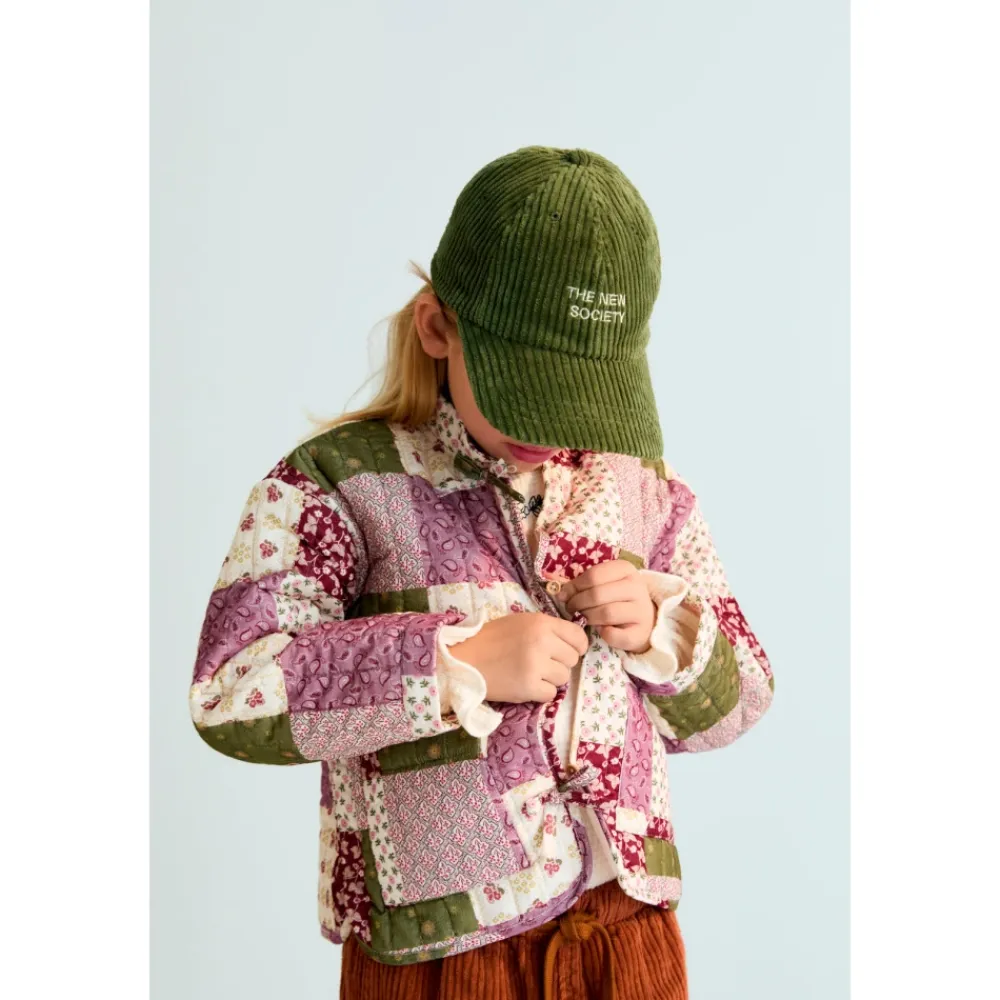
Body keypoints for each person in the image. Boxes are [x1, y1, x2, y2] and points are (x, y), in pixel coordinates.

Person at [189, 145, 775, 1000]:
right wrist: (451, 663)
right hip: (442, 956)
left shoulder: (643, 487)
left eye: (581, 392)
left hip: (630, 942)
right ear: (438, 328)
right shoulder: (336, 485)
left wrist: (663, 632)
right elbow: (232, 691)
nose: (552, 426)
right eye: (525, 389)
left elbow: (741, 701)